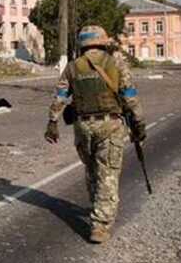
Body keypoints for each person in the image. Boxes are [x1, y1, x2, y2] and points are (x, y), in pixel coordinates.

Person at [44, 25, 146, 243]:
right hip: (109, 126)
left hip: (83, 128)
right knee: (107, 173)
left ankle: (96, 206)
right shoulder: (116, 63)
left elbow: (61, 96)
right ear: (103, 42)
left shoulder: (73, 67)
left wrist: (52, 122)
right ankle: (100, 225)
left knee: (91, 169)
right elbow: (130, 95)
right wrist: (139, 123)